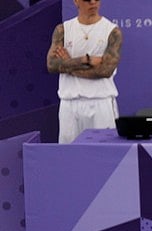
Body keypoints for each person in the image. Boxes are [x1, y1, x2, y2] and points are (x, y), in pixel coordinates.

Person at [47, 0, 122, 144]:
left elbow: (105, 71)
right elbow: (51, 65)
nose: (93, 2)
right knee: (69, 153)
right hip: (70, 104)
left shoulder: (112, 31)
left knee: (103, 153)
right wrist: (85, 59)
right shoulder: (63, 30)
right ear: (76, 1)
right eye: (87, 0)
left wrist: (68, 63)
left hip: (100, 103)